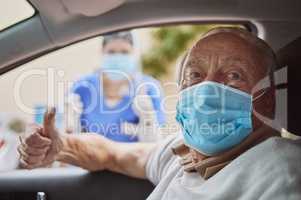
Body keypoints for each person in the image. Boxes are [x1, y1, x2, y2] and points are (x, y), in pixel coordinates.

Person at [18, 27, 301, 199]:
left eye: (234, 75)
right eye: (195, 74)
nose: (207, 89)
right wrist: (61, 145)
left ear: (267, 99)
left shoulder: (282, 175)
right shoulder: (185, 152)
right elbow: (114, 153)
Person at [66, 31, 165, 142]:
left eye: (124, 52)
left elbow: (156, 145)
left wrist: (147, 118)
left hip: (133, 158)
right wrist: (71, 122)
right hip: (90, 157)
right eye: (111, 52)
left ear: (134, 54)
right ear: (102, 53)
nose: (118, 58)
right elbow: (68, 138)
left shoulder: (149, 88)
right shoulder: (83, 87)